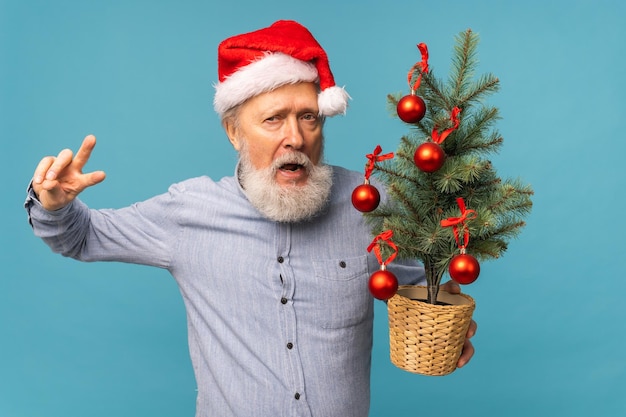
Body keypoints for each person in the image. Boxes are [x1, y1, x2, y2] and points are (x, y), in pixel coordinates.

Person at [25, 20, 476, 417]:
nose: (294, 137)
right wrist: (55, 204)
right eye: (273, 120)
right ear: (234, 131)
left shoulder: (369, 204)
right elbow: (79, 237)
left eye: (308, 118)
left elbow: (429, 281)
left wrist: (448, 328)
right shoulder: (189, 212)